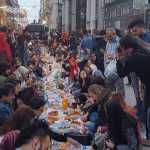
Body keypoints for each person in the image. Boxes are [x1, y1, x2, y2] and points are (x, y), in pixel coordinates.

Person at [117, 35, 150, 139]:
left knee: (148, 110)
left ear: (125, 47)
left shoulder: (132, 59)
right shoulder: (142, 51)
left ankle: (148, 137)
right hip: (146, 84)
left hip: (148, 85)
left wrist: (119, 60)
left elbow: (121, 73)